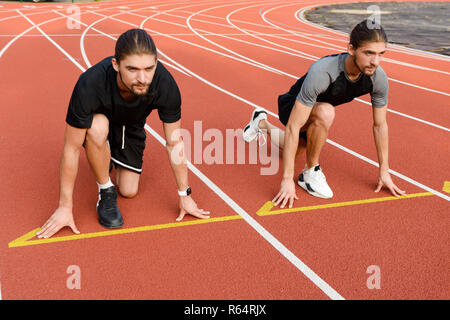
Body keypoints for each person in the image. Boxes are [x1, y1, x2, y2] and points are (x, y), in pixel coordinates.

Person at [37, 29, 210, 239]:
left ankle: (104, 155)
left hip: (131, 126)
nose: (142, 78)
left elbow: (174, 142)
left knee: (128, 191)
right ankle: (105, 189)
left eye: (149, 68)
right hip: (101, 121)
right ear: (115, 64)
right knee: (97, 128)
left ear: (156, 63)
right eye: (132, 69)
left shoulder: (165, 84)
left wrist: (184, 195)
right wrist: (65, 207)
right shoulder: (90, 83)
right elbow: (71, 148)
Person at [243, 19, 406, 209]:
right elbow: (294, 126)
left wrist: (384, 171)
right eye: (368, 53)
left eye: (380, 54)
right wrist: (287, 179)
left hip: (315, 112)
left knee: (295, 148)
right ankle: (310, 171)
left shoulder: (378, 78)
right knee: (326, 112)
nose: (375, 61)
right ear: (351, 49)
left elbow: (380, 125)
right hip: (293, 106)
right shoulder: (324, 71)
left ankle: (261, 122)